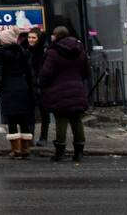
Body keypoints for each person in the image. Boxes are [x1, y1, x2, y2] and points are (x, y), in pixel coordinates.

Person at [39, 25, 91, 162]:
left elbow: (46, 73)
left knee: (61, 120)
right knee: (76, 120)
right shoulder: (80, 49)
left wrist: (44, 85)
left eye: (53, 35)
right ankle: (79, 152)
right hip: (77, 88)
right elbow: (86, 71)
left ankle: (59, 152)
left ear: (56, 36)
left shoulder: (53, 52)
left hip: (58, 90)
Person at [0, 27, 35, 159]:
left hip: (8, 88)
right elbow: (29, 72)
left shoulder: (0, 54)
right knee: (23, 119)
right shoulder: (23, 53)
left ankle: (16, 150)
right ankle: (26, 148)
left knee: (11, 119)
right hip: (22, 87)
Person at [25, 28, 51, 146]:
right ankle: (30, 138)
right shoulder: (26, 50)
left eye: (33, 38)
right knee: (30, 114)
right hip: (30, 86)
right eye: (29, 37)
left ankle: (43, 137)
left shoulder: (43, 51)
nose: (31, 40)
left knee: (44, 113)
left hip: (41, 86)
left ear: (38, 39)